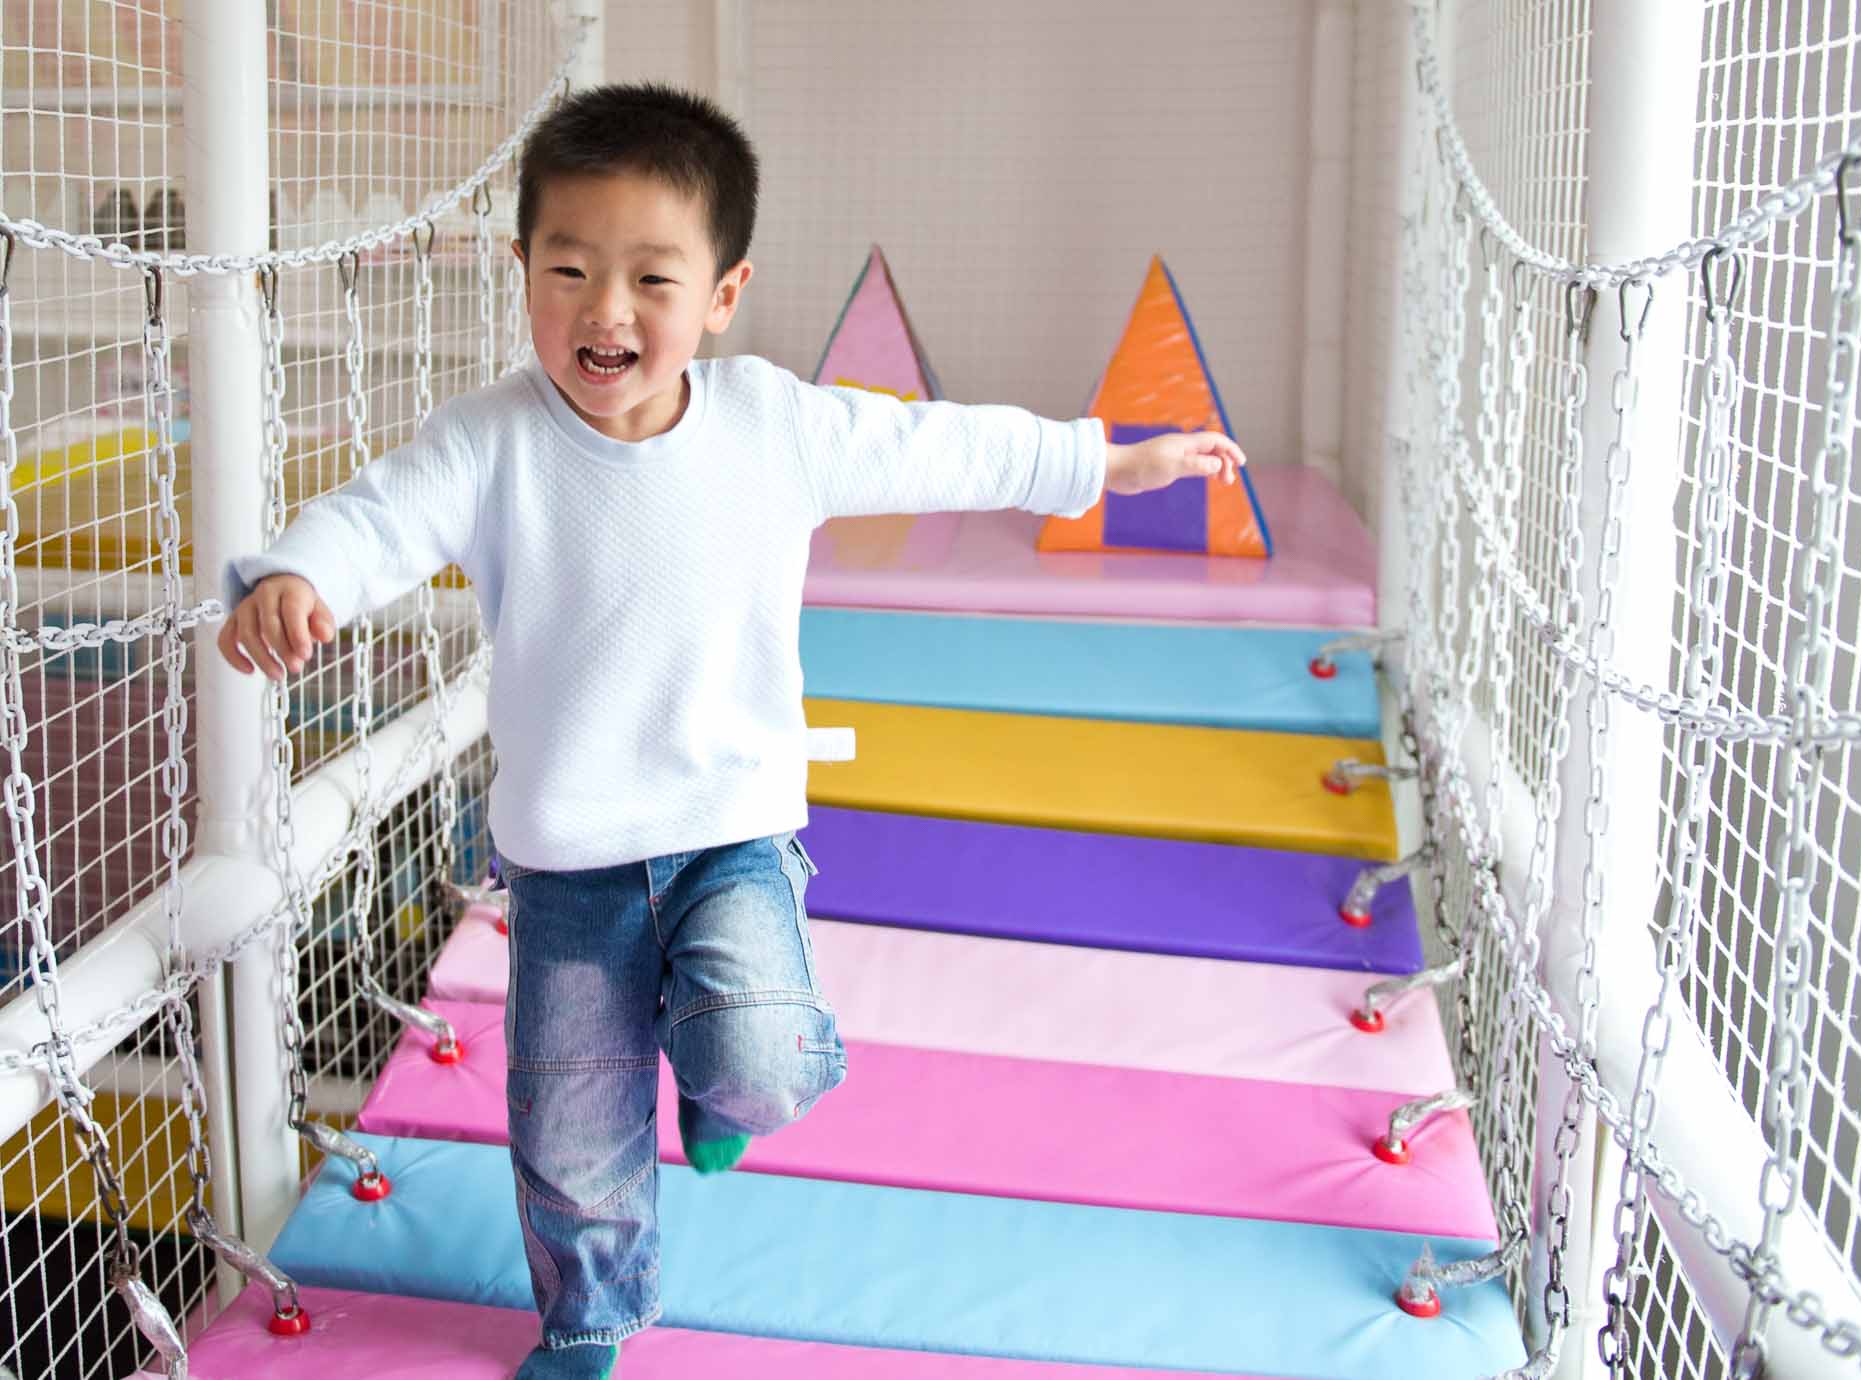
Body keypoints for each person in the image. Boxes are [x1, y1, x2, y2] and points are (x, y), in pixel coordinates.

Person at [217, 83, 1245, 1380]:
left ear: (721, 294)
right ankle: (591, 1318)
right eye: (571, 269)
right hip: (568, 870)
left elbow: (946, 449)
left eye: (652, 278)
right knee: (573, 1136)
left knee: (759, 1061)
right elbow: (375, 518)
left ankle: (715, 1081)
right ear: (522, 268)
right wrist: (294, 576)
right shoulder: (488, 445)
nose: (606, 312)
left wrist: (1105, 461)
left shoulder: (776, 425)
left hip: (732, 833)